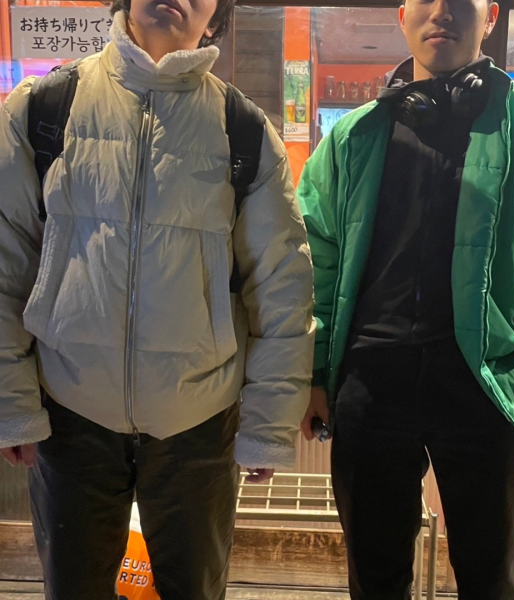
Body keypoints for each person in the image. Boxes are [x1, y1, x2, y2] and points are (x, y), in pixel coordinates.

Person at [0, 0, 315, 598]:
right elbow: (4, 258)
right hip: (68, 410)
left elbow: (282, 283)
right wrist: (9, 398)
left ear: (216, 16)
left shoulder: (243, 128)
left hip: (200, 420)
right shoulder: (43, 108)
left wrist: (269, 422)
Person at [297, 0, 514, 598]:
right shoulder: (355, 135)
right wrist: (315, 372)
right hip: (369, 382)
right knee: (374, 576)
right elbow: (314, 260)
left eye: (459, 2)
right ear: (402, 15)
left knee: (491, 576)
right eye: (426, 1)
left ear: (490, 16)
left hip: (485, 380)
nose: (442, 13)